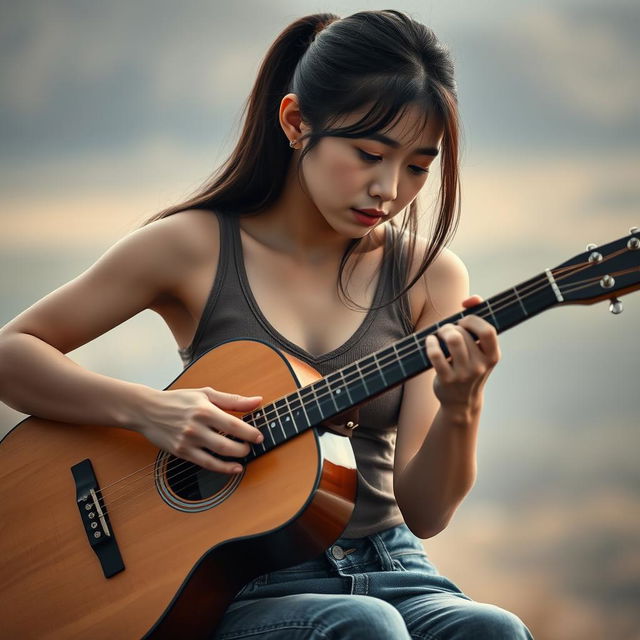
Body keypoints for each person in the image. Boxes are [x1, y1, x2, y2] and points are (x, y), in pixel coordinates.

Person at [0, 9, 534, 640]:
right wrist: (149, 411)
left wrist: (461, 404)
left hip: (395, 568)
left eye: (418, 166)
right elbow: (14, 351)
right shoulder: (191, 247)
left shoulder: (432, 277)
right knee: (363, 629)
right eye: (368, 154)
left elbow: (426, 512)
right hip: (235, 576)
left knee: (493, 630)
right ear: (295, 122)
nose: (389, 188)